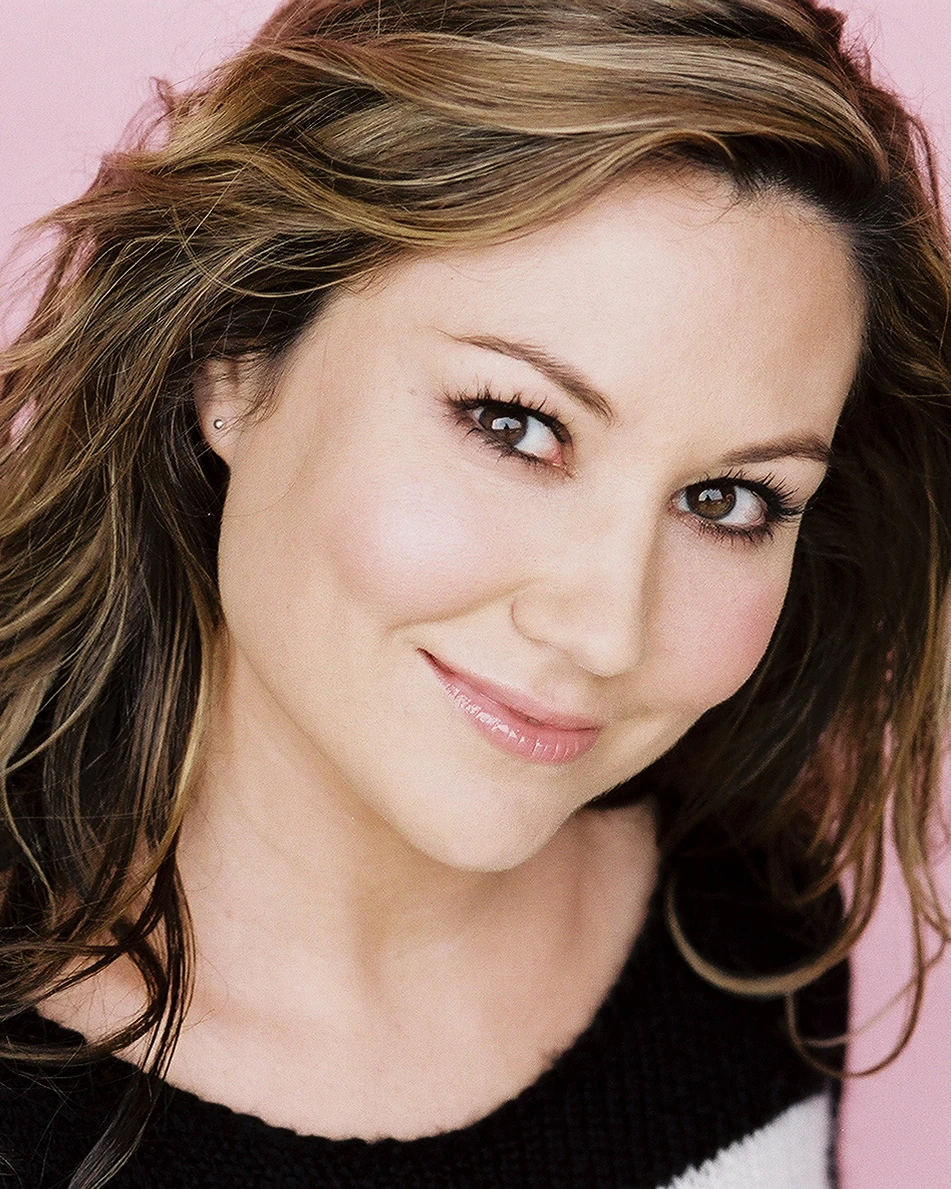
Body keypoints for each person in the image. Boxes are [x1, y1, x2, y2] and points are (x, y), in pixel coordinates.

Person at [0, 0, 949, 1185]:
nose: (605, 629)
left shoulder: (747, 940)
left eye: (728, 500)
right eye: (515, 425)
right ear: (235, 355)